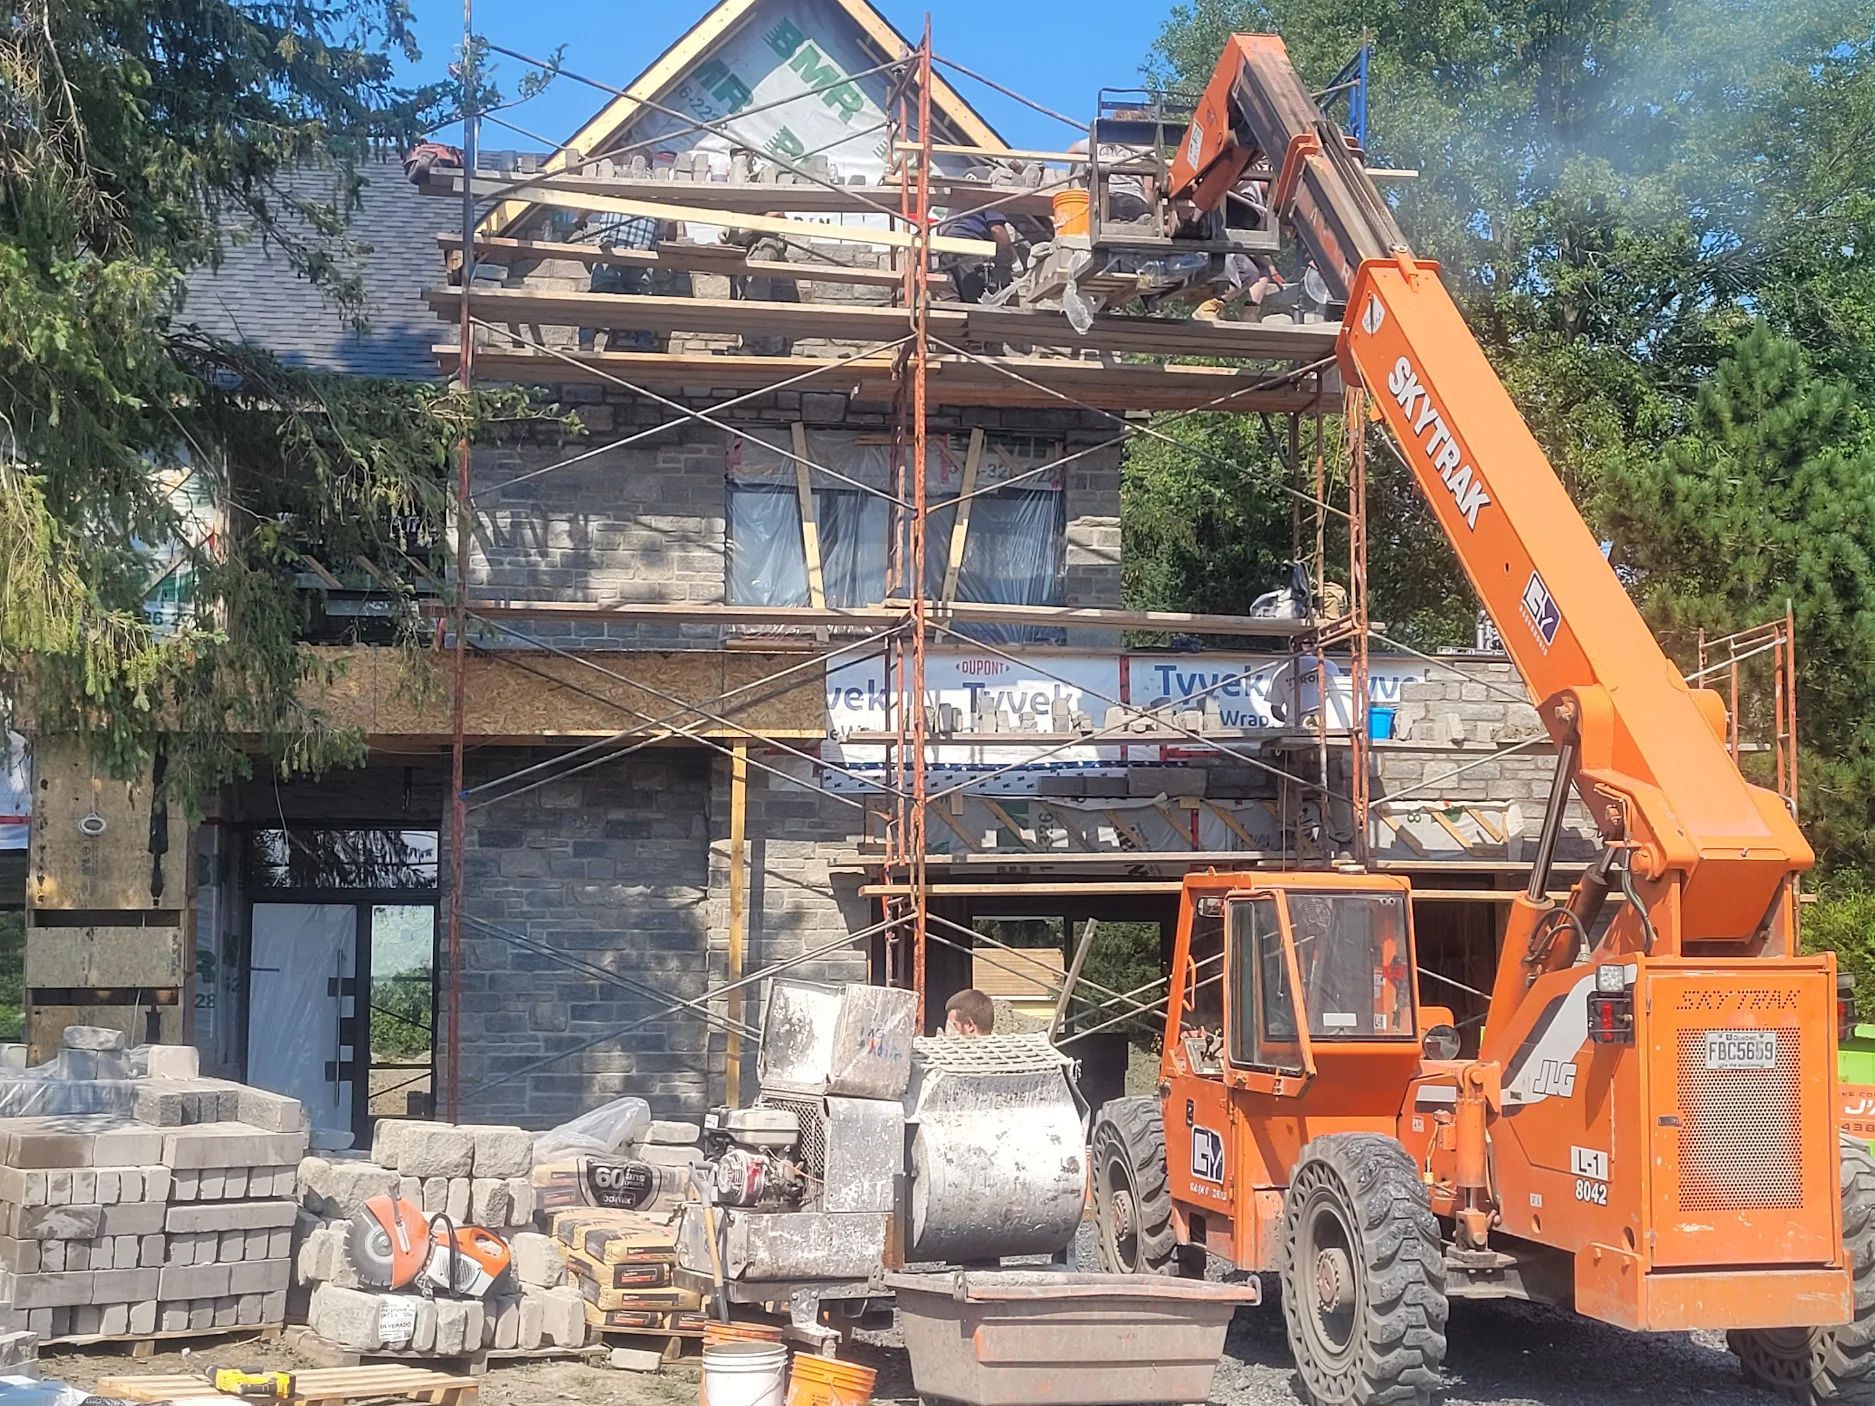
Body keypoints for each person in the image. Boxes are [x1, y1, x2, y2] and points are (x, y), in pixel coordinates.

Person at [573, 210, 667, 353]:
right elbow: (669, 229)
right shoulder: (656, 200)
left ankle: (586, 346)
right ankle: (645, 348)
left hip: (611, 251)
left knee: (595, 301)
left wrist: (579, 220)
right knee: (640, 307)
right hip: (640, 253)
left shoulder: (616, 198)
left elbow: (589, 205)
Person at [937, 205, 1017, 304]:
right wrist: (1010, 255)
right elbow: (997, 230)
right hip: (968, 244)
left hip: (945, 246)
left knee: (951, 301)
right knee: (977, 299)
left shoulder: (958, 203)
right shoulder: (993, 199)